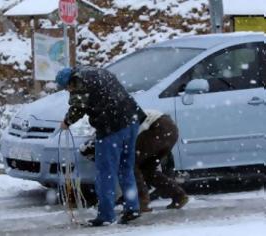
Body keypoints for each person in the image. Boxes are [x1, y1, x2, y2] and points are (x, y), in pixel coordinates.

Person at [55, 66, 146, 226]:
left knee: (105, 172)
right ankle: (132, 208)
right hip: (132, 119)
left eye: (66, 88)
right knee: (126, 168)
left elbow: (78, 107)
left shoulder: (79, 81)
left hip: (111, 127)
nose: (67, 90)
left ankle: (106, 215)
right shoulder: (95, 71)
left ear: (70, 82)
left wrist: (66, 122)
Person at [80, 111, 189, 212]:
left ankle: (141, 202)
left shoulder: (110, 132)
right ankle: (179, 196)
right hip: (170, 130)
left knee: (131, 165)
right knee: (148, 171)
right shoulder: (110, 128)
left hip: (157, 127)